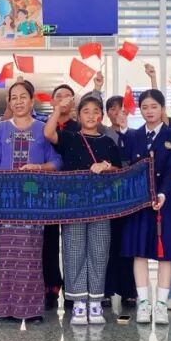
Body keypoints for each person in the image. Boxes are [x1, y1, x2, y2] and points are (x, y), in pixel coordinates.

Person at [0, 80, 61, 322]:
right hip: (6, 202)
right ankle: (6, 309)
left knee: (31, 255)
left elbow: (57, 162)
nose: (18, 101)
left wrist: (38, 168)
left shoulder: (43, 129)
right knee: (6, 256)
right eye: (13, 97)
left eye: (23, 97)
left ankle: (32, 310)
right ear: (9, 102)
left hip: (33, 201)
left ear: (32, 100)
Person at [45, 92, 121, 325]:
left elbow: (119, 171)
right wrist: (58, 109)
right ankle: (78, 302)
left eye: (95, 112)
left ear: (101, 116)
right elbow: (48, 133)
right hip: (73, 206)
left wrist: (106, 166)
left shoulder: (108, 142)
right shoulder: (69, 138)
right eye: (85, 111)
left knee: (99, 252)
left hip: (101, 206)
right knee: (74, 251)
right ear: (78, 116)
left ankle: (95, 302)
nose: (90, 115)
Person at [121, 89, 171, 325]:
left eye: (154, 107)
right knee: (139, 253)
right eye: (145, 107)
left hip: (164, 201)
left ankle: (161, 305)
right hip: (139, 202)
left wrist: (163, 193)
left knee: (165, 254)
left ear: (162, 109)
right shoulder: (134, 135)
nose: (149, 111)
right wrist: (123, 130)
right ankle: (144, 303)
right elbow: (126, 165)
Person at [103, 94, 137, 307]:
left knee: (127, 243)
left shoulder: (134, 135)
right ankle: (105, 289)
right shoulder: (102, 133)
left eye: (121, 109)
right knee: (107, 243)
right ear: (107, 113)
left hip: (129, 196)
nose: (117, 113)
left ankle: (128, 290)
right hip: (107, 196)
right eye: (113, 109)